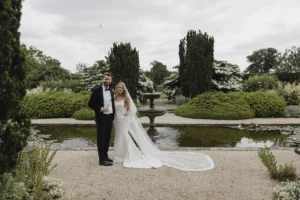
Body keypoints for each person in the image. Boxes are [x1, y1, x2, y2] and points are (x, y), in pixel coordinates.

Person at [113, 82, 214, 171]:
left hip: (123, 119)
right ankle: (119, 155)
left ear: (124, 89)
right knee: (118, 136)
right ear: (116, 88)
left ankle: (127, 154)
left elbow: (130, 109)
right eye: (119, 87)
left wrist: (127, 112)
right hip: (116, 119)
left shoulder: (125, 98)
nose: (120, 89)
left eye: (122, 87)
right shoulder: (114, 97)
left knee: (124, 136)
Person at [88, 73, 115, 166]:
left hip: (109, 116)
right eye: (106, 79)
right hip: (101, 117)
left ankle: (106, 156)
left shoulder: (111, 90)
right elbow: (90, 103)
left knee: (107, 137)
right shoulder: (97, 90)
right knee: (101, 138)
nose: (107, 81)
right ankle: (101, 160)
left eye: (109, 79)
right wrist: (101, 108)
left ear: (111, 81)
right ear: (103, 79)